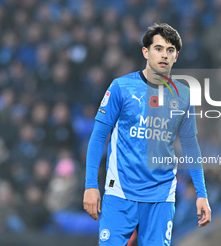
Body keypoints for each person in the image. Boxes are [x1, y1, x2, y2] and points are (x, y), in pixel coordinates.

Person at [83, 23, 211, 246]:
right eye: (158, 48)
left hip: (161, 196)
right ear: (146, 52)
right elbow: (98, 137)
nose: (164, 55)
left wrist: (202, 193)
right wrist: (90, 185)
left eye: (170, 50)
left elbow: (190, 145)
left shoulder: (184, 95)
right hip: (120, 192)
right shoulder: (121, 87)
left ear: (176, 57)